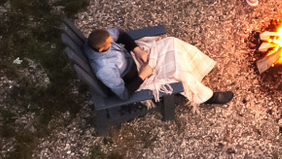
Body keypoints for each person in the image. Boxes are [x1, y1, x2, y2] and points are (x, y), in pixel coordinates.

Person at [88, 27, 232, 106]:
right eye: (110, 43)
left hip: (134, 58)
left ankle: (198, 68)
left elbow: (120, 34)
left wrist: (136, 50)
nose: (112, 41)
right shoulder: (105, 70)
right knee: (179, 73)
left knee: (171, 42)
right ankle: (208, 97)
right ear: (100, 50)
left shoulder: (98, 38)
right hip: (136, 77)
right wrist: (143, 75)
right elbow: (124, 94)